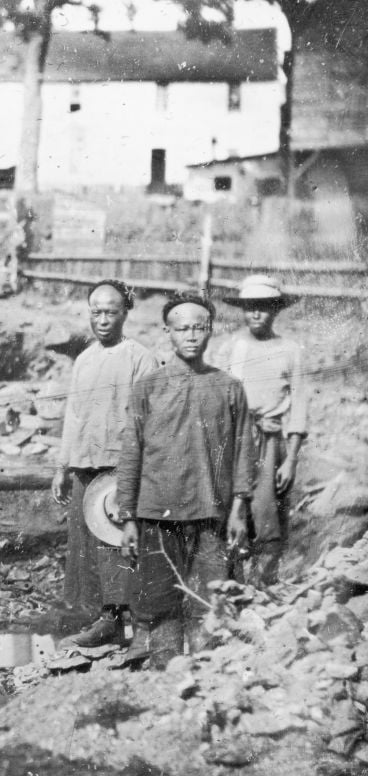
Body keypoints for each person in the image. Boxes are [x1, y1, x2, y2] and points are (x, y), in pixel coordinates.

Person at [117, 292, 255, 668]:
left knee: (210, 601)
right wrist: (128, 516)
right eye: (182, 328)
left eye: (199, 327)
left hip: (212, 514)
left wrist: (240, 508)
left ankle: (207, 683)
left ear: (210, 330)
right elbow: (131, 453)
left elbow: (244, 451)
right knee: (162, 603)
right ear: (168, 333)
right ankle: (166, 679)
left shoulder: (229, 387)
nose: (191, 335)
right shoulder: (148, 388)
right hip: (158, 517)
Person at [52, 280, 159, 647]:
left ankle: (137, 623)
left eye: (110, 312)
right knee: (87, 546)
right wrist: (62, 466)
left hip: (119, 468)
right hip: (85, 464)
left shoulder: (140, 358)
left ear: (125, 313)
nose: (102, 319)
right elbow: (73, 414)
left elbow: (149, 420)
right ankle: (105, 620)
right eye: (96, 312)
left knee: (119, 541)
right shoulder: (85, 359)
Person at [214, 275, 306, 587]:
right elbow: (220, 398)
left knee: (267, 511)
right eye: (250, 308)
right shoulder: (232, 348)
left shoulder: (290, 349)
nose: (256, 314)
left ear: (276, 310)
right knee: (233, 507)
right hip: (237, 440)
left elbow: (299, 407)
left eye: (264, 308)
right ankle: (232, 586)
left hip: (270, 443)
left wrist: (290, 458)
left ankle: (264, 584)